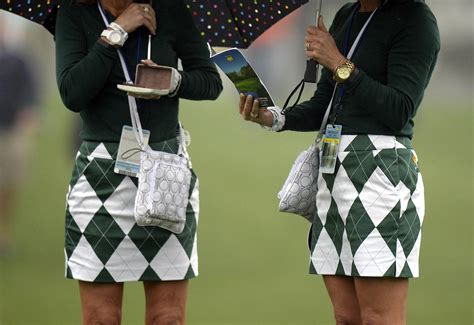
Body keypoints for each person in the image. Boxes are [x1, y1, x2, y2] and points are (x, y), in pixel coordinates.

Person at [239, 0, 439, 324]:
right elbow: (324, 105)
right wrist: (273, 117)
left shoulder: (416, 20)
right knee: (347, 317)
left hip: (381, 177)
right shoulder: (346, 15)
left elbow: (400, 109)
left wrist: (337, 62)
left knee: (378, 318)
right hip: (333, 176)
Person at [55, 0, 222, 323]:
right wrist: (115, 33)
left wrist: (172, 81)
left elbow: (210, 82)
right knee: (101, 319)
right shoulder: (75, 12)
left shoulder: (172, 9)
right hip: (98, 179)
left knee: (168, 318)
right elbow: (71, 93)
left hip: (165, 175)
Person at [0, 20, 39, 256]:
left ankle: (3, 231)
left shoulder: (16, 60)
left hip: (11, 130)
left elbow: (29, 93)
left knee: (8, 183)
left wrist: (28, 115)